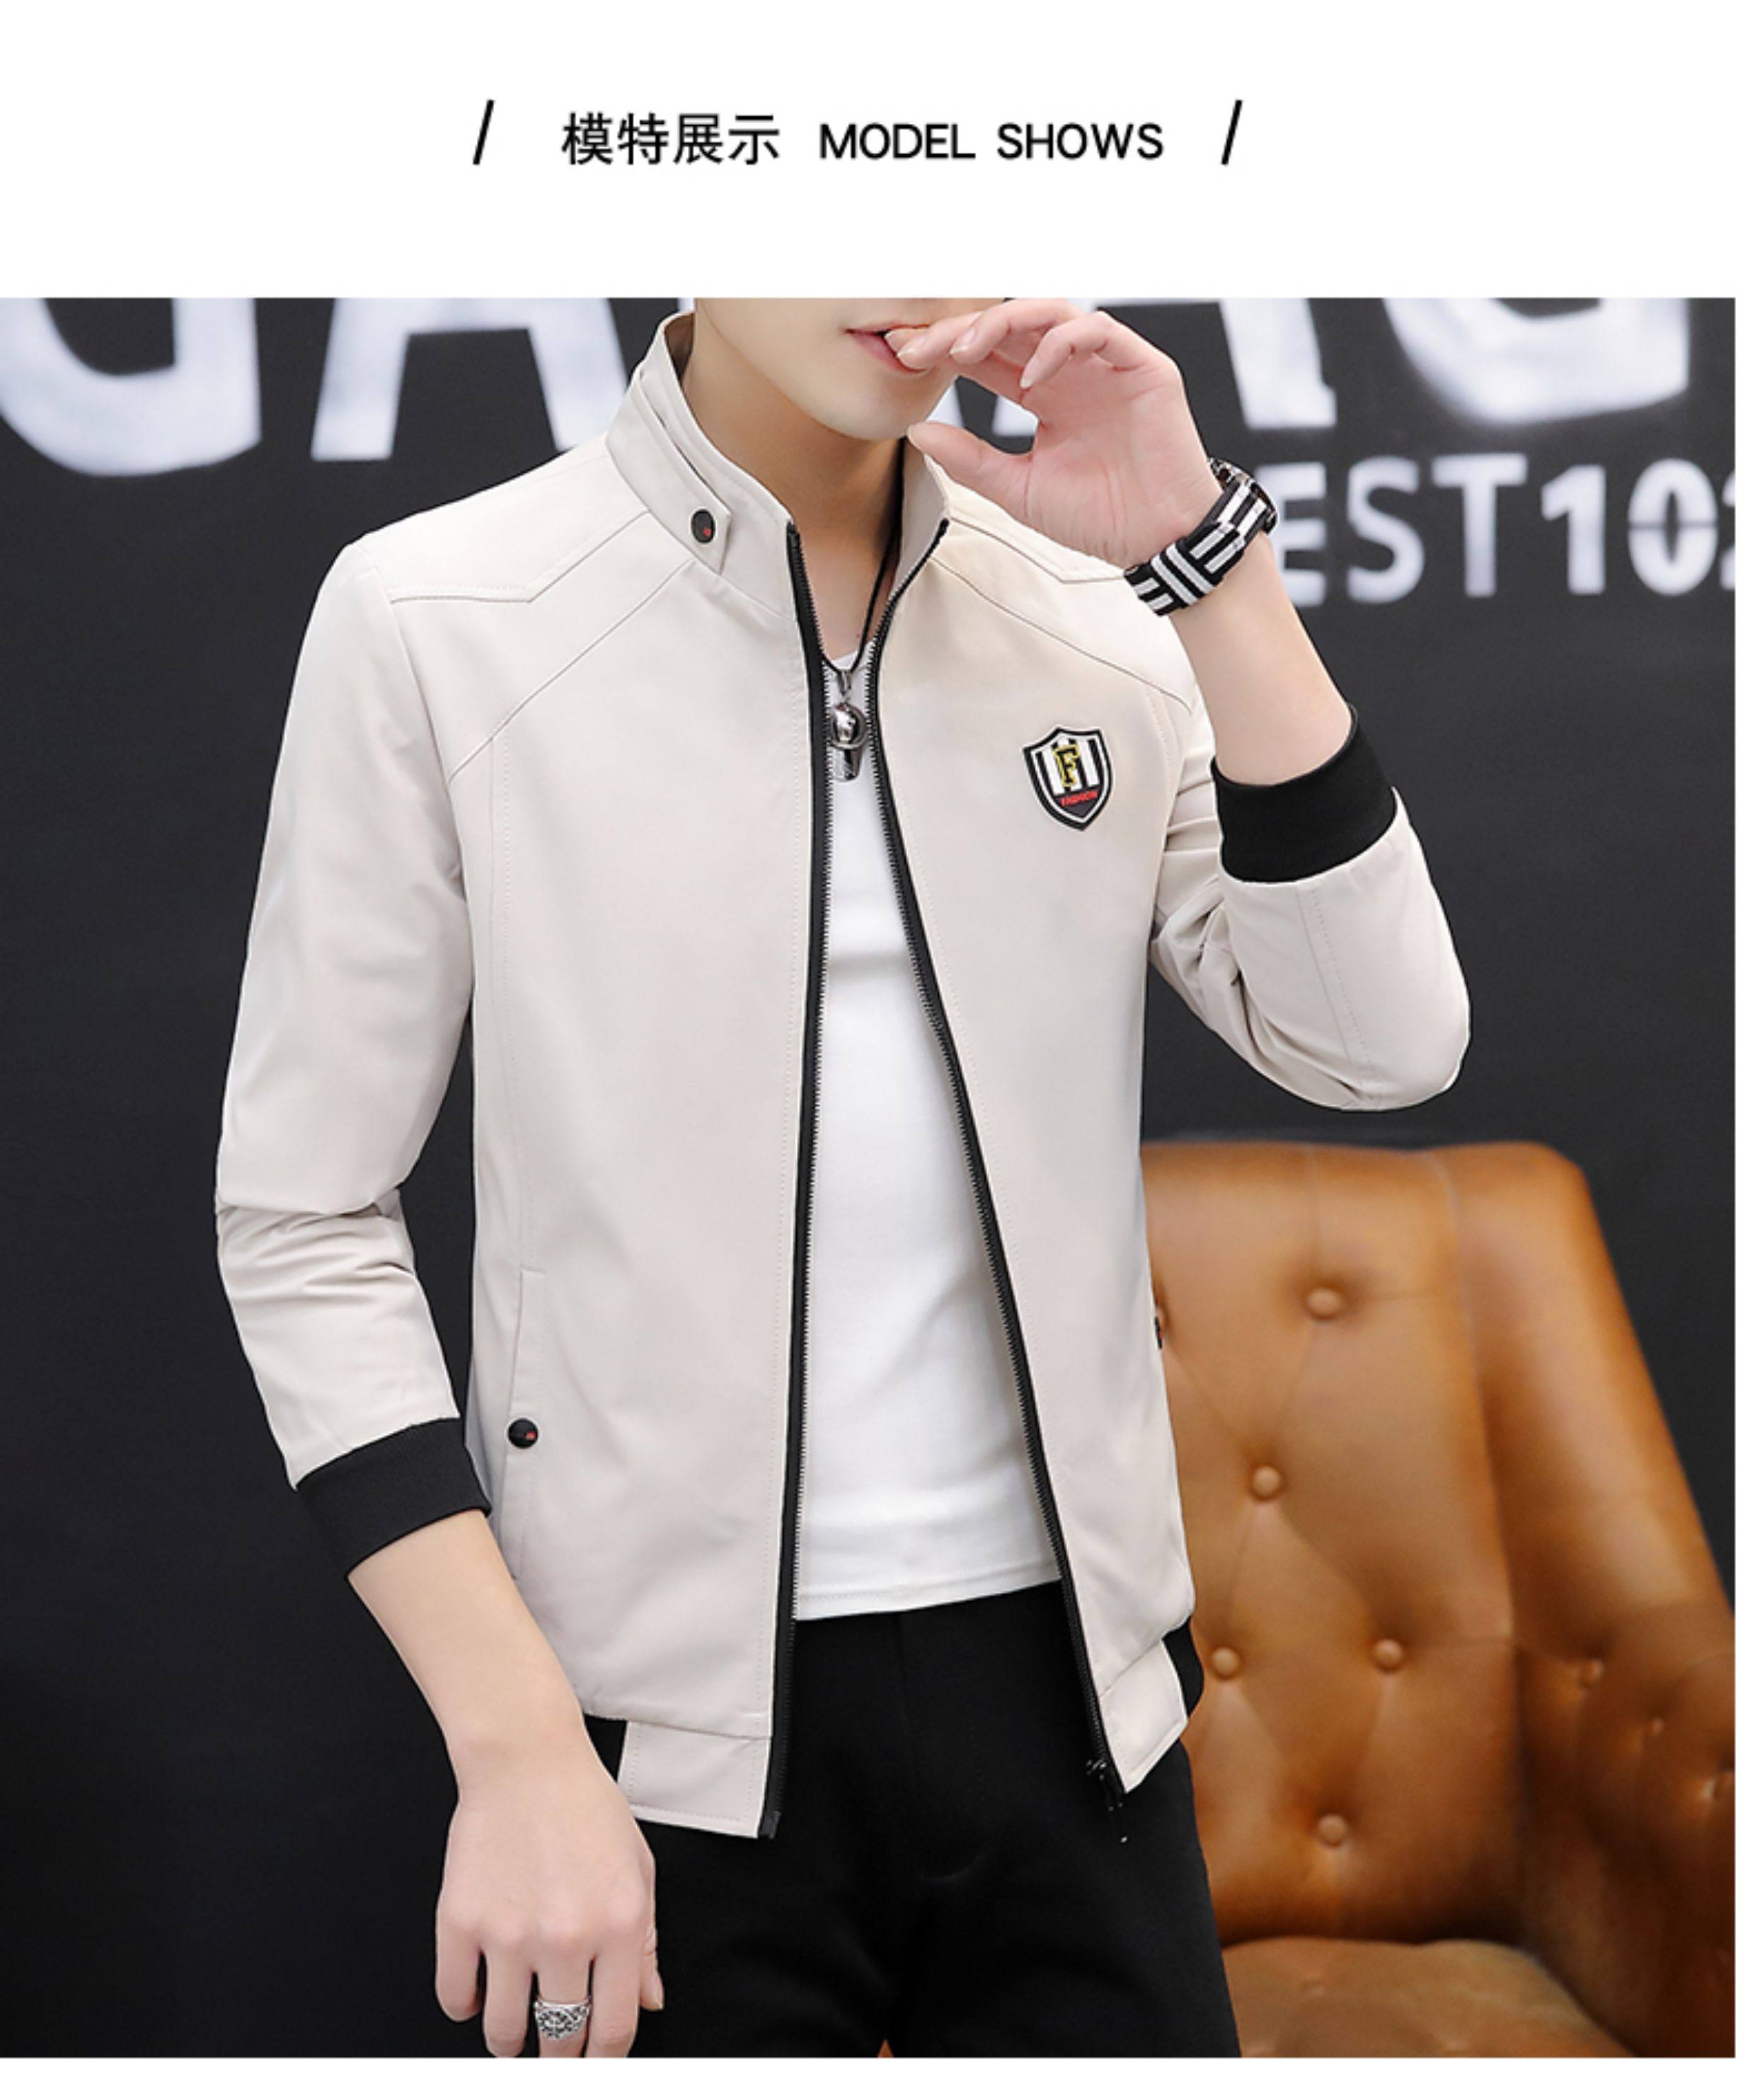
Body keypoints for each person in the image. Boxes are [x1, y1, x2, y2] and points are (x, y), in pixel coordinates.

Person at [213, 298, 1470, 2057]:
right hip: (655, 1754)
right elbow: (303, 1213)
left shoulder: (1086, 606)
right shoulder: (442, 613)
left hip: (1083, 1728)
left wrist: (1208, 569)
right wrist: (517, 1745)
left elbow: (1379, 1041)